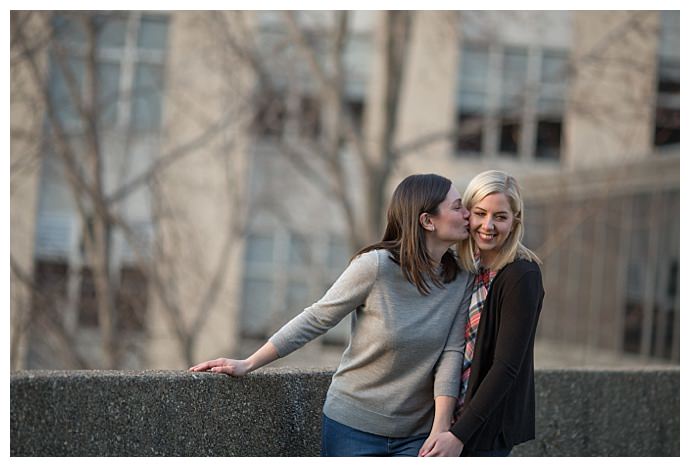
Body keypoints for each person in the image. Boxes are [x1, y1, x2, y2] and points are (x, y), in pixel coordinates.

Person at [190, 173, 474, 457]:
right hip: (353, 427)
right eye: (458, 207)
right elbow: (317, 318)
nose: (467, 214)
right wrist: (249, 363)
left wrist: (440, 428)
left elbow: (451, 352)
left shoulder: (461, 277)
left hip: (417, 434)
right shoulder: (376, 267)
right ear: (427, 221)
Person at [419, 169, 544, 457]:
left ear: (515, 222)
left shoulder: (521, 275)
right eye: (480, 213)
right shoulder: (465, 268)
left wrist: (459, 435)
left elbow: (506, 367)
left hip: (483, 430)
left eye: (500, 216)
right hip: (444, 420)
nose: (488, 225)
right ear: (467, 215)